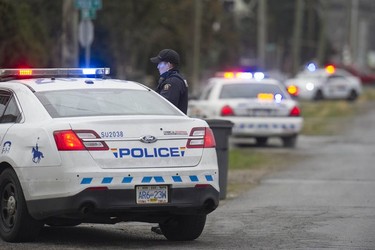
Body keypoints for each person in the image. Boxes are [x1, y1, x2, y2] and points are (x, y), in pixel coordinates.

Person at [150, 49, 188, 114]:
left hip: (172, 123)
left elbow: (164, 107)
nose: (158, 67)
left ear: (169, 65)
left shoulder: (172, 82)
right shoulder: (174, 79)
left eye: (160, 63)